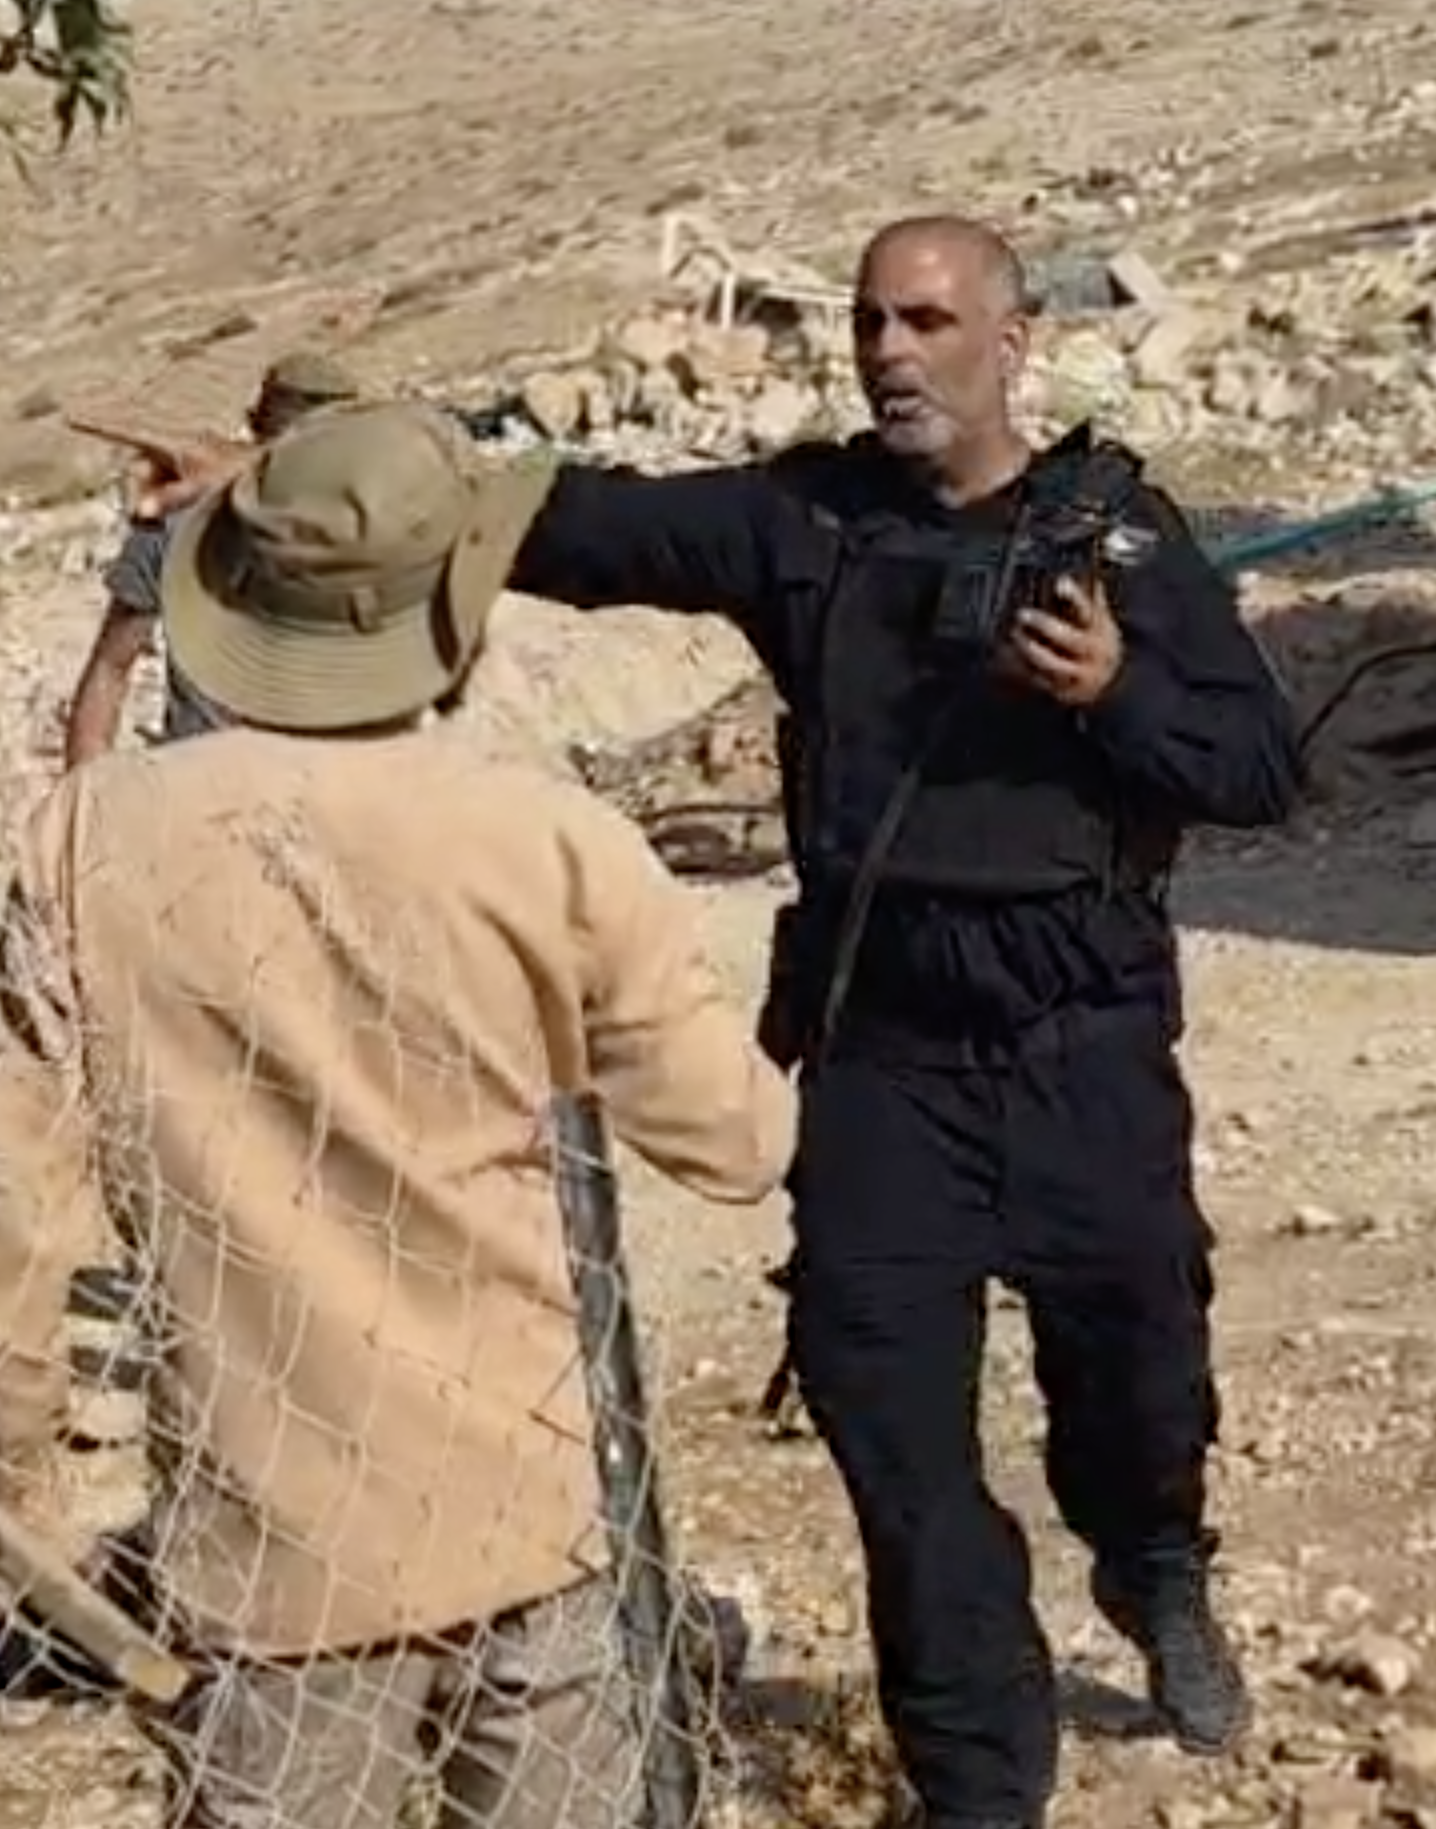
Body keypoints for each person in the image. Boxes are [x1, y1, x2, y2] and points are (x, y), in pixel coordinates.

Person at [504, 213, 1304, 1829]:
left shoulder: (1114, 533)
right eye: (869, 319)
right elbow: (589, 529)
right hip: (884, 1059)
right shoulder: (805, 522)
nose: (888, 350)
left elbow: (1261, 767)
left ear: (1011, 342)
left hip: (1081, 1044)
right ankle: (981, 1782)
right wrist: (329, 480)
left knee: (1137, 1386)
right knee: (899, 1457)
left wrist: (1114, 692)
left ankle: (1153, 1565)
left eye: (927, 320)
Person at [0, 396, 798, 1829]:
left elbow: (14, 1216)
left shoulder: (90, 839)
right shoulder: (549, 842)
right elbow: (735, 1141)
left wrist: (5, 1479)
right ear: (454, 611)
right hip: (530, 1501)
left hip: (272, 1539)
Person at [57, 348, 365, 766]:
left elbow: (110, 669)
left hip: (218, 773)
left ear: (255, 422)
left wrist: (86, 790)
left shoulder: (175, 522)